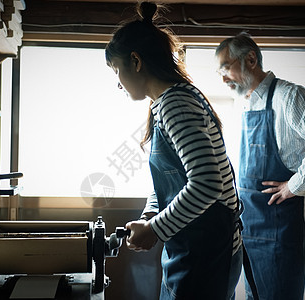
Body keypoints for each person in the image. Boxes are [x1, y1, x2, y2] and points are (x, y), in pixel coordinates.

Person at [105, 3, 242, 299]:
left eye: (117, 70)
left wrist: (155, 229)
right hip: (189, 246)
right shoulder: (165, 102)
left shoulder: (175, 104)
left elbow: (207, 184)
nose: (118, 83)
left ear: (136, 61)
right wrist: (151, 214)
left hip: (205, 254)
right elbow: (167, 179)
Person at [215, 32, 305, 300]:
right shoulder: (246, 103)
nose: (223, 78)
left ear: (251, 59)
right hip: (249, 227)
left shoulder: (288, 96)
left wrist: (296, 184)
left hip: (280, 229)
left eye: (226, 67)